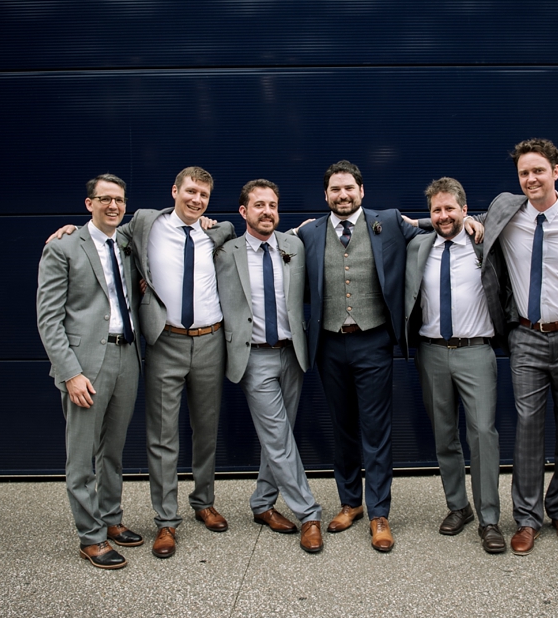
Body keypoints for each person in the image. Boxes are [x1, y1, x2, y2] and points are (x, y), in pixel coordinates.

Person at [47, 166, 235, 559]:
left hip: (208, 340)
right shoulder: (144, 224)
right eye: (189, 192)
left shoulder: (219, 232)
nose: (196, 200)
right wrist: (67, 229)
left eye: (203, 194)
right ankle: (165, 521)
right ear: (174, 191)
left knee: (204, 430)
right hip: (162, 341)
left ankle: (203, 502)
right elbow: (52, 310)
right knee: (161, 435)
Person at [473, 138, 558, 556]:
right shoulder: (505, 208)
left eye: (538, 170)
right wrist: (456, 223)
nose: (531, 179)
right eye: (523, 173)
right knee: (528, 427)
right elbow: (460, 218)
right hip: (526, 335)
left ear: (556, 171)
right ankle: (528, 518)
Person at [294, 160, 430, 552]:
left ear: (361, 190)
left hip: (373, 340)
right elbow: (276, 245)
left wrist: (473, 221)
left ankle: (379, 513)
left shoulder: (387, 220)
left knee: (376, 427)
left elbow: (434, 226)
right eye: (335, 190)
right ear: (326, 195)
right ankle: (350, 502)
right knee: (343, 426)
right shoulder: (310, 232)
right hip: (330, 343)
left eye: (349, 188)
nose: (342, 195)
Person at [37, 173, 143, 569]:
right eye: (104, 199)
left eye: (118, 199)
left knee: (112, 451)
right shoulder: (63, 247)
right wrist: (70, 372)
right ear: (89, 204)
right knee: (82, 456)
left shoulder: (128, 243)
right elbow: (48, 320)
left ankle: (111, 519)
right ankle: (90, 536)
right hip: (84, 365)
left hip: (127, 358)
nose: (113, 206)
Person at [214, 179, 324, 554]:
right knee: (278, 436)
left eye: (273, 205)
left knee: (279, 436)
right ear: (243, 212)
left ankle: (262, 503)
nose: (267, 211)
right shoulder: (225, 251)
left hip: (292, 353)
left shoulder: (294, 244)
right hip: (254, 357)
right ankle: (308, 513)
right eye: (258, 205)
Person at [405, 177, 506, 554]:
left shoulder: (485, 242)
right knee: (444, 435)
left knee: (482, 434)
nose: (443, 216)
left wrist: (478, 220)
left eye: (450, 208)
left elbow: (510, 206)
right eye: (436, 210)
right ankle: (457, 506)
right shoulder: (419, 245)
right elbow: (387, 221)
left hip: (475, 351)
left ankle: (489, 519)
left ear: (465, 210)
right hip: (431, 352)